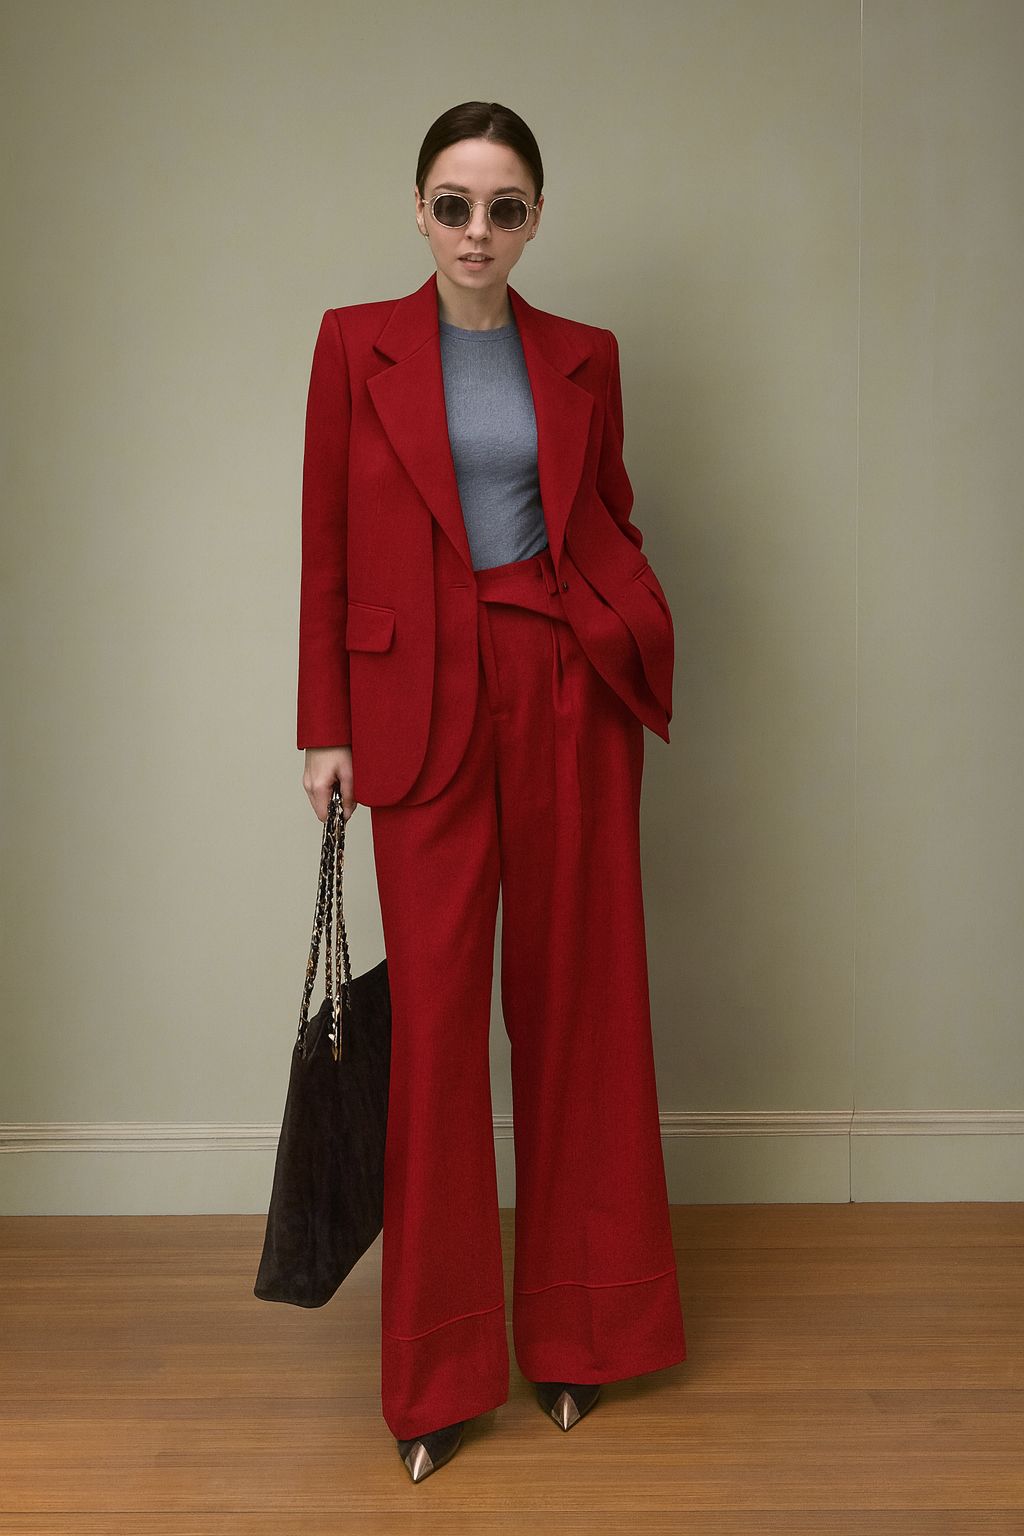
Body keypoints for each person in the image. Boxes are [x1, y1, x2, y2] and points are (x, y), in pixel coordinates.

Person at [297, 100, 687, 1483]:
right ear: (418, 211)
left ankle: (581, 1339)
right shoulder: (356, 344)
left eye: (504, 206)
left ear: (533, 220)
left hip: (568, 696)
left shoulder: (586, 356)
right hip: (417, 714)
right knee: (442, 1034)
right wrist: (322, 725)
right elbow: (327, 544)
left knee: (581, 1008)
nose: (477, 230)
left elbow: (611, 516)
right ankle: (440, 1373)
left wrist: (622, 623)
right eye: (454, 204)